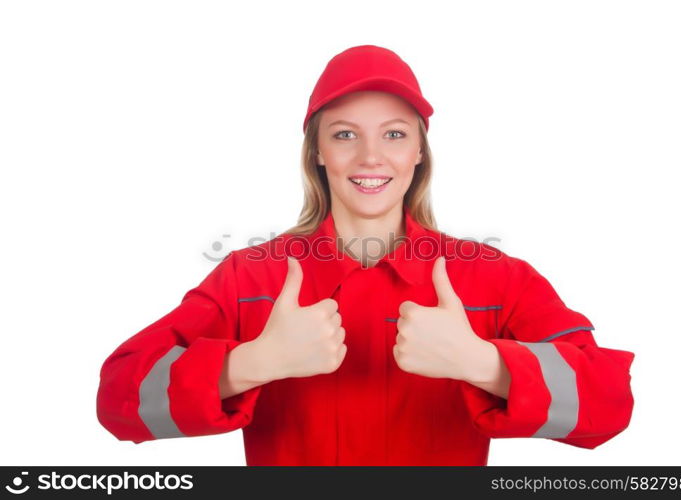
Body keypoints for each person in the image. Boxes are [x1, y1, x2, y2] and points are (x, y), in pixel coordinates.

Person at [96, 45, 635, 466]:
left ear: (419, 151)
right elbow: (118, 398)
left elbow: (610, 406)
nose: (371, 156)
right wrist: (251, 363)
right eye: (345, 134)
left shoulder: (494, 279)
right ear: (318, 152)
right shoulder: (250, 277)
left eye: (394, 134)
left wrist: (484, 363)